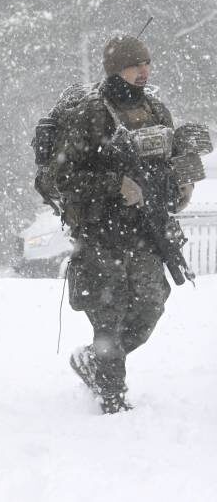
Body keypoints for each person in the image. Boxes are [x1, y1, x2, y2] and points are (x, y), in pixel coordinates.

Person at [52, 35, 194, 414]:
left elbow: (171, 159)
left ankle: (94, 362)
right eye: (135, 65)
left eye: (147, 62)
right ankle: (112, 398)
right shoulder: (93, 114)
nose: (144, 71)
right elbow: (62, 177)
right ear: (116, 69)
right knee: (108, 317)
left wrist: (182, 183)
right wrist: (115, 185)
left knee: (151, 306)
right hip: (102, 234)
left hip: (147, 231)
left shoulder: (157, 111)